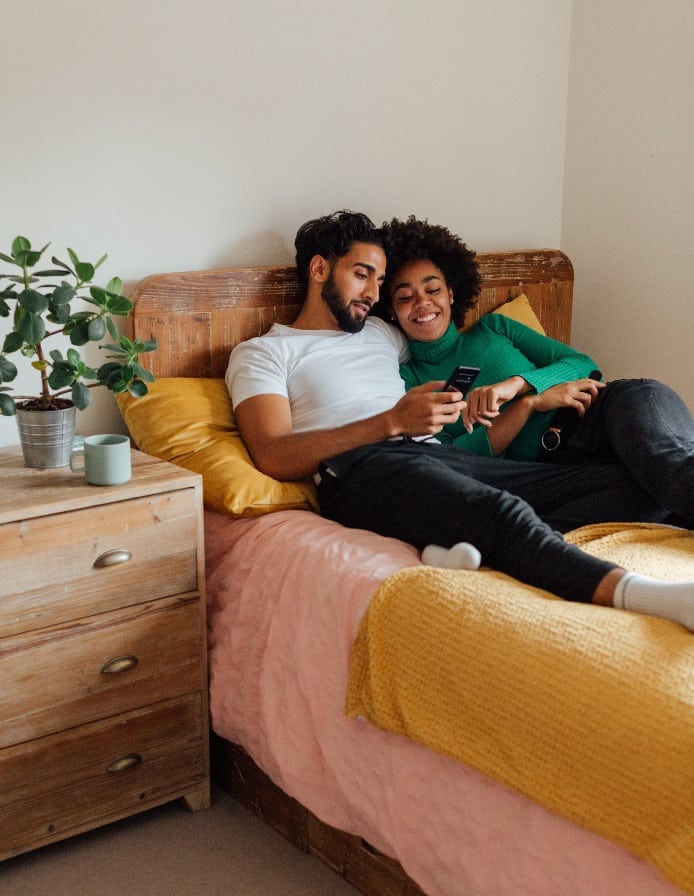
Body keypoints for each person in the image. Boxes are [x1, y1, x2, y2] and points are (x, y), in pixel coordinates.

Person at [225, 209, 694, 632]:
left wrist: (519, 389)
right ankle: (654, 597)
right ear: (320, 269)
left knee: (631, 485)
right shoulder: (265, 352)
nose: (373, 293)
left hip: (438, 457)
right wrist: (391, 422)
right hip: (362, 464)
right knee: (500, 513)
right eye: (362, 275)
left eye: (378, 280)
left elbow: (444, 335)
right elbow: (272, 453)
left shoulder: (382, 334)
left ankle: (452, 540)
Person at [380, 214, 694, 529]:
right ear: (392, 312)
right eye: (405, 297)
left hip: (604, 412)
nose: (422, 302)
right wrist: (529, 405)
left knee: (667, 464)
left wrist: (517, 385)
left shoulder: (494, 328)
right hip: (554, 474)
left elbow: (582, 364)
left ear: (450, 293)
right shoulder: (407, 381)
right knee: (559, 525)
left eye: (432, 289)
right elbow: (451, 458)